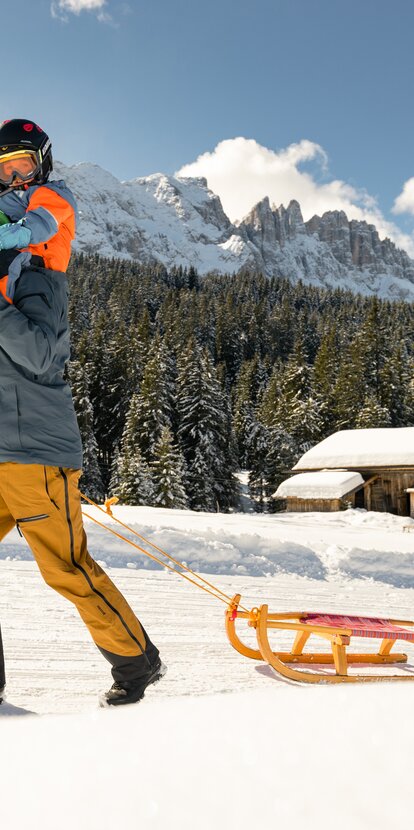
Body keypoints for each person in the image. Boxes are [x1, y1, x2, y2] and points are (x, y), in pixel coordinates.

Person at [0, 118, 165, 706]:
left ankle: (135, 663)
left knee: (65, 568)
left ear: (40, 161)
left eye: (21, 163)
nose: (13, 175)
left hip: (36, 450)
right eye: (3, 168)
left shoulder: (42, 278)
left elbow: (42, 354)